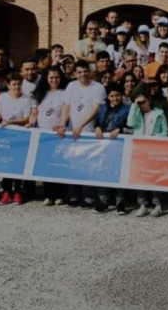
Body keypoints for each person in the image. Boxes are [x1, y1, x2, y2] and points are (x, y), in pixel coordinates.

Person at [57, 60, 106, 207]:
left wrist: (81, 125)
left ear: (89, 71)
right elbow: (66, 106)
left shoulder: (98, 87)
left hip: (89, 131)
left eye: (85, 71)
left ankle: (89, 196)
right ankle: (73, 195)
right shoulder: (71, 86)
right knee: (72, 164)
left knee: (88, 165)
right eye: (79, 72)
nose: (82, 74)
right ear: (74, 73)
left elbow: (96, 109)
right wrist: (62, 124)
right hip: (73, 131)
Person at [0, 72, 33, 205]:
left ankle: (18, 191)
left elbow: (26, 118)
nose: (16, 87)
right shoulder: (2, 98)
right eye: (13, 84)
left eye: (19, 84)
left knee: (18, 164)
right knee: (6, 164)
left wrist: (10, 122)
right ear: (8, 85)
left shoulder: (26, 99)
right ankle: (6, 191)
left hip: (20, 137)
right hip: (5, 137)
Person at [127, 86, 168, 217]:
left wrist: (155, 138)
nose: (142, 105)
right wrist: (134, 106)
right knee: (140, 177)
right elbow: (130, 123)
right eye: (139, 103)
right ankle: (143, 204)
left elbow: (165, 132)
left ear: (149, 100)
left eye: (143, 102)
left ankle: (157, 205)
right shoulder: (137, 113)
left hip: (155, 150)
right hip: (140, 150)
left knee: (155, 177)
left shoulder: (159, 113)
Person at [29, 66, 68, 205]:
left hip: (59, 134)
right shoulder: (40, 93)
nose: (54, 80)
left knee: (58, 164)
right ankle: (48, 195)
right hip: (42, 134)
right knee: (45, 164)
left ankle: (60, 195)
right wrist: (31, 123)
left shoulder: (66, 92)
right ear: (46, 78)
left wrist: (62, 125)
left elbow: (66, 111)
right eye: (51, 77)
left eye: (57, 77)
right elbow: (34, 112)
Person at [93, 83, 131, 214]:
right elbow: (98, 122)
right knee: (102, 171)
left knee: (119, 172)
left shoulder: (128, 109)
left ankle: (120, 202)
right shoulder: (103, 108)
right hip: (103, 144)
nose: (115, 98)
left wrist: (120, 129)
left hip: (119, 144)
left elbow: (131, 126)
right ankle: (103, 201)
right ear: (108, 97)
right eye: (112, 96)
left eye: (117, 95)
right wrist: (97, 127)